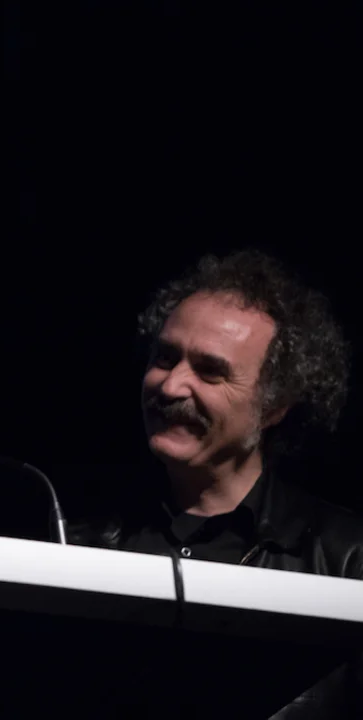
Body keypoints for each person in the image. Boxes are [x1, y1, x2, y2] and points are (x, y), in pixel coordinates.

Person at [70, 249, 363, 717]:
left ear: (275, 406)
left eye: (210, 371)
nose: (171, 386)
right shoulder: (79, 539)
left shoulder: (346, 559)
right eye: (165, 358)